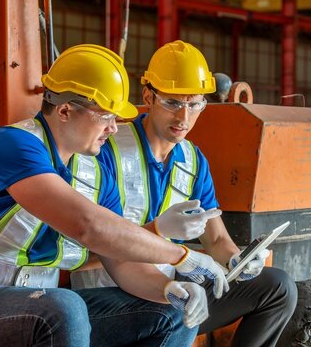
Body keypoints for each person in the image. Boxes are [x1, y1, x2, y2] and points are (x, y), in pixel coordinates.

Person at [0, 44, 229, 347]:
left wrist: (168, 288)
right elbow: (88, 225)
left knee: (169, 313)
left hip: (42, 304)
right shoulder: (13, 145)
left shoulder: (97, 173)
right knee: (66, 307)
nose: (114, 129)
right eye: (105, 117)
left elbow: (119, 259)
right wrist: (183, 256)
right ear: (65, 110)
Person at [71, 40, 298, 347]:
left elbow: (216, 240)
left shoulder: (192, 160)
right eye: (173, 103)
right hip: (109, 296)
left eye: (195, 105)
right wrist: (158, 233)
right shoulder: (104, 152)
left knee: (278, 287)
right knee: (174, 312)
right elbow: (84, 252)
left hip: (170, 288)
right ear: (148, 96)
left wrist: (237, 261)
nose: (184, 118)